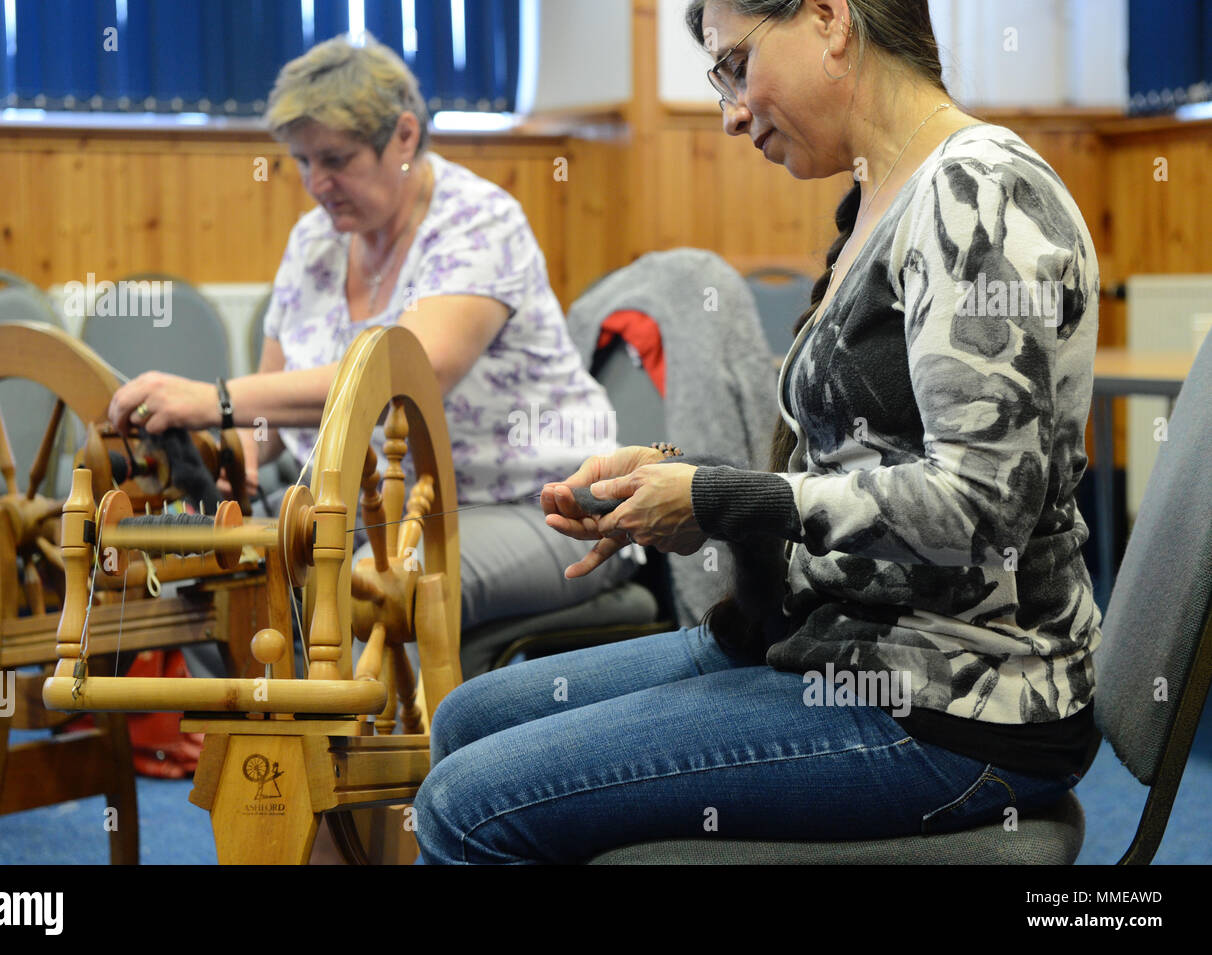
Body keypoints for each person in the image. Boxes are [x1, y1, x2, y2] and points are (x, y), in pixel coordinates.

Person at [411, 0, 1102, 864]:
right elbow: (853, 471)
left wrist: (723, 495)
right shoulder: (879, 200)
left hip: (961, 703)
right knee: (466, 719)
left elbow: (982, 507)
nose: (731, 112)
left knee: (466, 805)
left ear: (828, 19)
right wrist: (685, 491)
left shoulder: (983, 191)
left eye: (736, 65)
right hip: (834, 641)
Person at [107, 37, 634, 629]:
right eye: (303, 162)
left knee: (367, 586)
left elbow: (410, 374)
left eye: (336, 159)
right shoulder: (314, 241)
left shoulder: (481, 222)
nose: (316, 183)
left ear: (404, 136)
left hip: (541, 506)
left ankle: (351, 726)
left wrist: (215, 401)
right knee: (211, 584)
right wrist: (241, 459)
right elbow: (271, 410)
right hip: (370, 509)